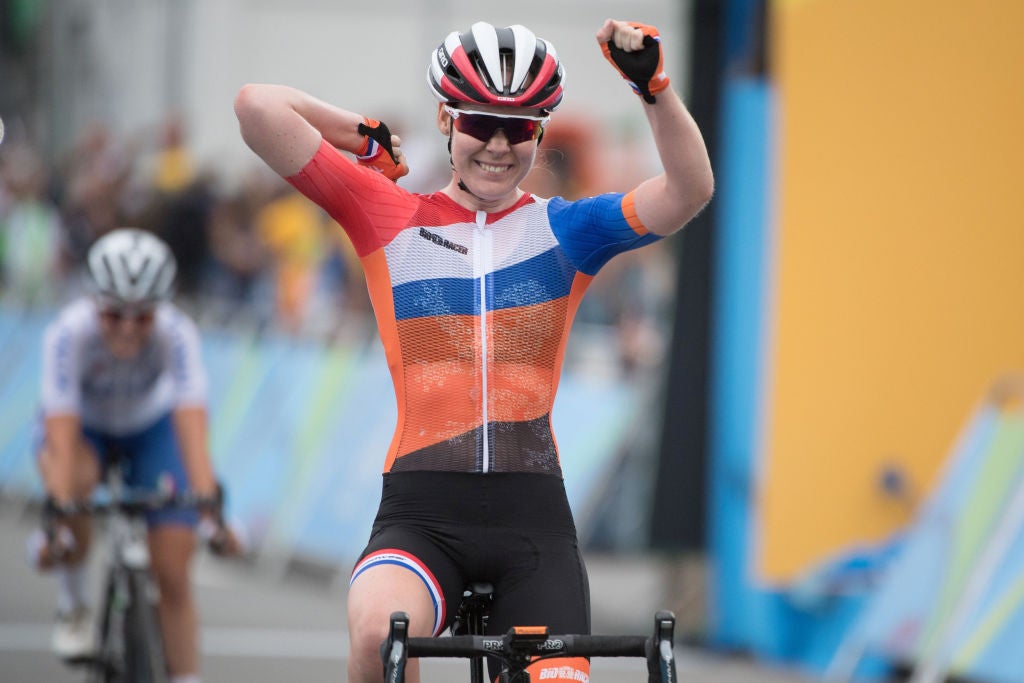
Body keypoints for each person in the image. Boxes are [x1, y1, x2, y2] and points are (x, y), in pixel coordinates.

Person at [234, 18, 713, 683]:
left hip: (533, 525)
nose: (496, 143)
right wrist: (357, 132)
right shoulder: (387, 215)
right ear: (445, 118)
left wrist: (653, 89)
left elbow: (690, 190)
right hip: (422, 518)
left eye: (518, 128)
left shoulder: (567, 231)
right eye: (478, 121)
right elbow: (256, 107)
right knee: (378, 635)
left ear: (540, 133)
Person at [27, 228, 239, 683]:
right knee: (75, 487)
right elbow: (60, 432)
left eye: (143, 316)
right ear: (93, 302)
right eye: (113, 314)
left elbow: (190, 422)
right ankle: (74, 607)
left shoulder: (177, 333)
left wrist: (209, 507)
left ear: (160, 308)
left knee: (173, 568)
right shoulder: (68, 333)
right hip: (86, 429)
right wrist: (60, 510)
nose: (127, 327)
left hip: (150, 428)